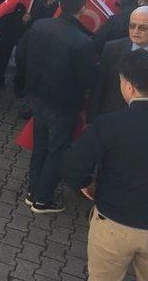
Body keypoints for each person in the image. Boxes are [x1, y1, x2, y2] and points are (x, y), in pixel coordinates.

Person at [62, 49, 148, 281]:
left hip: (114, 222)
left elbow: (72, 164)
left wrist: (85, 183)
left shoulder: (110, 124)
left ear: (129, 86)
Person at [16, 0, 96, 213]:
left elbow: (20, 54)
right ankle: (42, 199)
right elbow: (89, 79)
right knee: (57, 150)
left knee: (40, 145)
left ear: (60, 4)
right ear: (83, 8)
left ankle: (33, 192)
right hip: (63, 106)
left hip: (37, 99)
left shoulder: (39, 25)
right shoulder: (82, 42)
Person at [88, 6, 148, 121]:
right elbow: (100, 85)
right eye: (132, 26)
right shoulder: (112, 48)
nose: (135, 31)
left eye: (143, 28)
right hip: (110, 115)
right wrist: (91, 118)